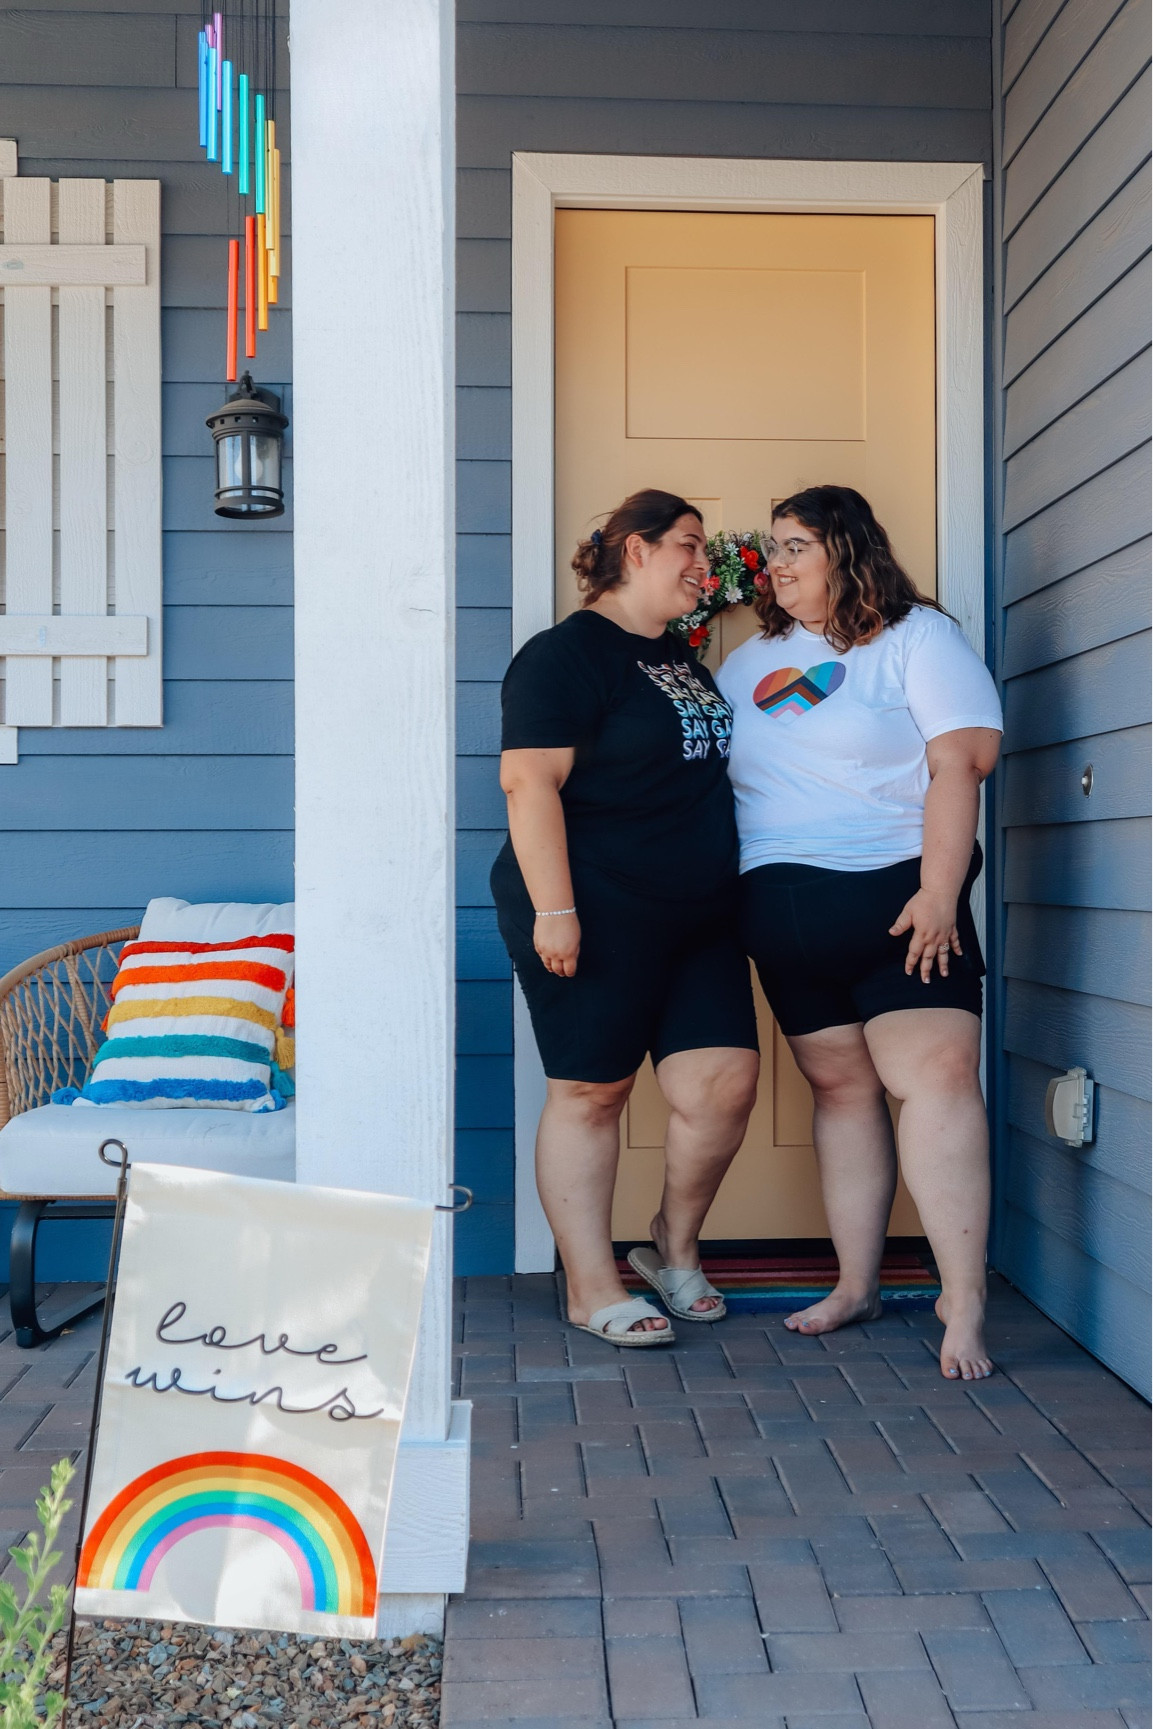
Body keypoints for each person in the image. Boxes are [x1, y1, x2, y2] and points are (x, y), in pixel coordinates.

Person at [716, 485, 1003, 1381]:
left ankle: (961, 1302)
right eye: (773, 547)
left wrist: (938, 891)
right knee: (841, 1094)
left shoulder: (917, 637)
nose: (779, 562)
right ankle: (856, 1285)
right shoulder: (747, 659)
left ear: (847, 548)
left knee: (935, 1081)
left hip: (897, 902)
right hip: (783, 916)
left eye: (797, 545)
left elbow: (962, 761)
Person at [491, 490, 759, 1346]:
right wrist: (554, 910)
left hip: (698, 913)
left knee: (720, 1085)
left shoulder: (680, 657)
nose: (701, 564)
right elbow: (528, 782)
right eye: (687, 545)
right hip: (594, 900)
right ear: (634, 550)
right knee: (589, 1089)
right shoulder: (563, 656)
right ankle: (589, 1284)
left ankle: (669, 1248)